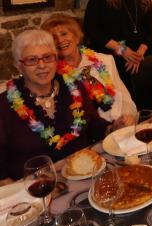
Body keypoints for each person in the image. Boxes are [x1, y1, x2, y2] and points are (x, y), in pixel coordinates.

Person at [0, 30, 108, 180]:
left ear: (56, 59)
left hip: (84, 175)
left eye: (47, 57)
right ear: (18, 66)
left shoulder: (75, 88)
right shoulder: (4, 106)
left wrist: (112, 128)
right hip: (35, 189)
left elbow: (94, 127)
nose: (42, 65)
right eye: (32, 60)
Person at [41, 14, 136, 125]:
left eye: (64, 34)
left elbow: (124, 97)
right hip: (87, 132)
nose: (60, 40)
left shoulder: (105, 60)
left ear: (76, 37)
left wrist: (128, 117)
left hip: (119, 124)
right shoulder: (52, 75)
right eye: (54, 38)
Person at [84, 0, 152, 83]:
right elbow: (90, 29)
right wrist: (122, 50)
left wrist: (138, 55)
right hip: (107, 62)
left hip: (135, 62)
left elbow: (149, 32)